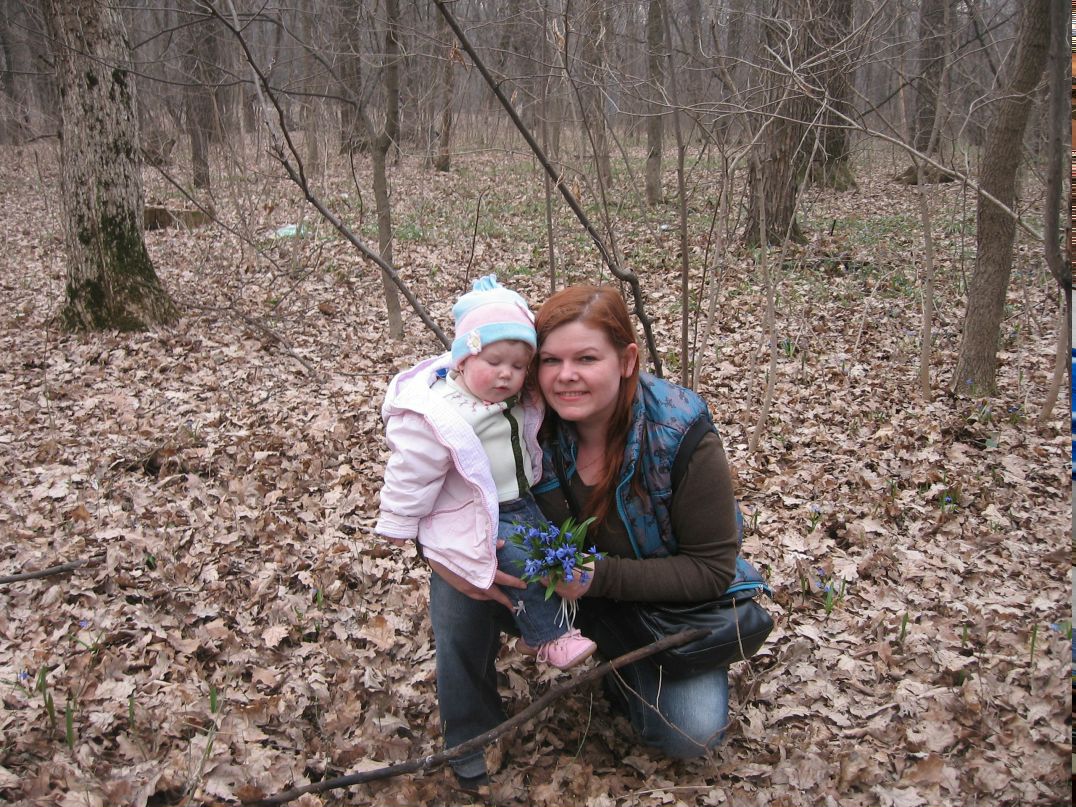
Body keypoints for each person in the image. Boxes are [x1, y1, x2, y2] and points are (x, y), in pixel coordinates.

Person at [423, 283, 741, 791]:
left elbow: (711, 570)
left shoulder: (679, 432)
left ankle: (619, 671)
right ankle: (471, 734)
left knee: (692, 732)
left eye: (587, 358)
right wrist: (437, 555)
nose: (566, 376)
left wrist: (597, 578)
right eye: (550, 361)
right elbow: (439, 486)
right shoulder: (520, 415)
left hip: (652, 601)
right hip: (551, 586)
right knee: (456, 576)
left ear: (627, 359)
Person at [375, 275, 598, 681]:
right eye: (493, 363)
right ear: (462, 359)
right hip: (481, 512)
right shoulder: (443, 413)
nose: (505, 375)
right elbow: (413, 470)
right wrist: (399, 522)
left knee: (551, 552)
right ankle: (551, 638)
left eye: (517, 366)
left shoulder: (516, 398)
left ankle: (537, 631)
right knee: (523, 564)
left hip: (523, 499)